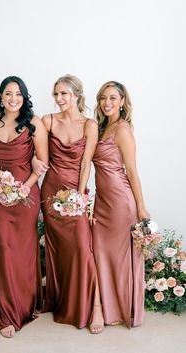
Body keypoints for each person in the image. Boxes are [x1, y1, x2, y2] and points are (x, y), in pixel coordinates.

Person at [0, 76, 48, 338]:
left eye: (18, 94)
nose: (13, 98)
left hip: (25, 196)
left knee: (25, 249)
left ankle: (28, 303)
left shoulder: (35, 123)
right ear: (0, 96)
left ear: (24, 97)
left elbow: (42, 162)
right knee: (3, 250)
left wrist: (22, 189)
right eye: (8, 94)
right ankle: (7, 314)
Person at [35, 74, 104, 332]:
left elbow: (86, 163)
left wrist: (80, 194)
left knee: (83, 248)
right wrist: (33, 162)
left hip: (76, 191)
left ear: (76, 95)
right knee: (58, 248)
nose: (59, 99)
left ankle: (94, 306)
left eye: (64, 93)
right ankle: (62, 300)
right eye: (56, 94)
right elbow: (37, 153)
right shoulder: (48, 120)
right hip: (51, 191)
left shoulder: (90, 124)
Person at [92, 81, 150, 329]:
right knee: (101, 254)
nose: (107, 103)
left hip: (120, 201)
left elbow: (132, 172)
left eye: (113, 98)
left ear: (123, 101)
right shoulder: (102, 127)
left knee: (120, 256)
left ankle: (123, 310)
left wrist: (141, 207)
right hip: (101, 201)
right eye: (103, 98)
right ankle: (105, 308)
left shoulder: (122, 129)